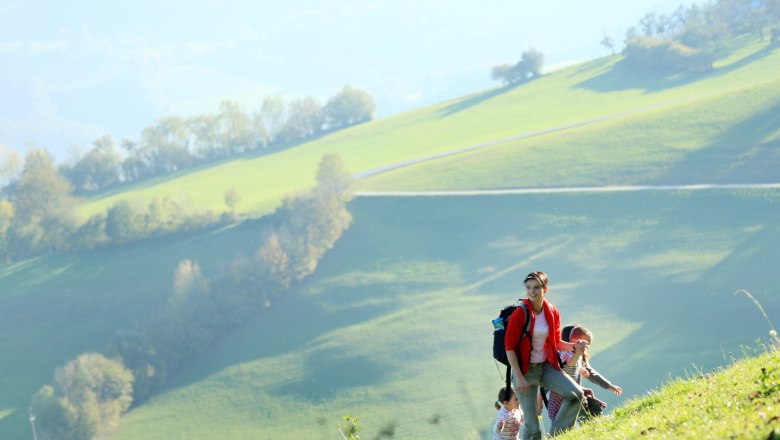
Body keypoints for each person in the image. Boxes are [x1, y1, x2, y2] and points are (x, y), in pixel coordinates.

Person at [505, 271, 586, 439]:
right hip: (525, 371)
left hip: (547, 367)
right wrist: (519, 377)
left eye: (536, 287)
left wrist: (574, 346)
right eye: (528, 288)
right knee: (532, 425)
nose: (532, 291)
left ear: (545, 289)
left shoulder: (552, 311)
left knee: (575, 394)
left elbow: (556, 343)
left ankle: (556, 436)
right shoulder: (520, 313)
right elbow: (509, 348)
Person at [546, 326, 623, 423]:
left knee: (591, 406)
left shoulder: (578, 357)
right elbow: (569, 363)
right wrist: (578, 353)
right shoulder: (566, 353)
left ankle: (598, 422)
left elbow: (582, 369)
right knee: (565, 420)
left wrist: (609, 386)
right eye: (586, 344)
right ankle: (591, 423)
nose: (587, 348)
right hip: (562, 397)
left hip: (574, 393)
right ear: (576, 341)